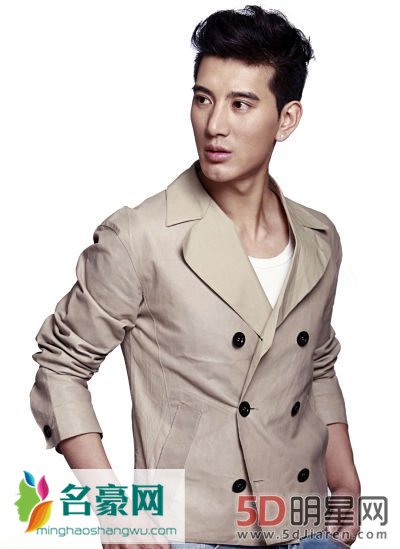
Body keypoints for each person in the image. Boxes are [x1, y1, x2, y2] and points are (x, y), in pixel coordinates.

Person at [30, 5, 361, 549]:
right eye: (203, 98)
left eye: (241, 104)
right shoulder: (141, 236)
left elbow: (315, 365)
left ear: (287, 119)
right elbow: (61, 365)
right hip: (188, 531)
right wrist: (114, 509)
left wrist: (344, 480)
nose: (214, 125)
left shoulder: (318, 238)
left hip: (306, 523)